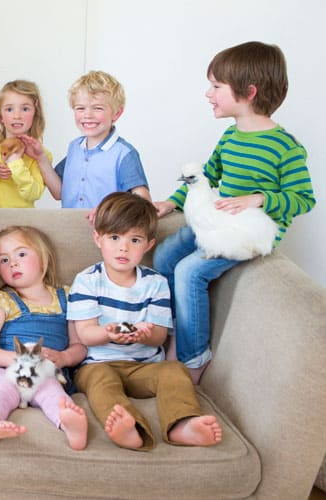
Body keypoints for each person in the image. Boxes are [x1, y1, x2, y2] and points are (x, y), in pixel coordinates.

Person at [153, 41, 316, 384]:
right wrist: (173, 201)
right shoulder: (230, 136)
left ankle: (193, 358)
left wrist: (258, 199)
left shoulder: (285, 147)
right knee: (166, 255)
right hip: (216, 224)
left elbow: (303, 198)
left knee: (189, 272)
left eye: (216, 86)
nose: (208, 93)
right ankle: (172, 331)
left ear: (248, 92)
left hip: (246, 236)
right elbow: (207, 176)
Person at [68, 192, 222, 451]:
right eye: (114, 238)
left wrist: (144, 334)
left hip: (144, 367)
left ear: (149, 245)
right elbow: (86, 335)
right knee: (101, 382)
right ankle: (131, 429)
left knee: (174, 371)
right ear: (98, 239)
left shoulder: (156, 283)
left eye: (134, 240)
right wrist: (109, 333)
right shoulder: (87, 280)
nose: (123, 248)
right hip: (98, 364)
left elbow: (159, 337)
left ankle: (182, 425)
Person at [0, 225, 88, 451]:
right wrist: (17, 361)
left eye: (21, 254)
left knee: (50, 387)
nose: (12, 263)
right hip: (5, 369)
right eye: (3, 260)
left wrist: (64, 357)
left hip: (45, 372)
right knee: (1, 386)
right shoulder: (2, 300)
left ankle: (69, 425)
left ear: (44, 260)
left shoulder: (66, 297)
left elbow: (80, 346)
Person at [39, 70, 150, 223]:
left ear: (116, 113)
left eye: (97, 108)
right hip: (70, 229)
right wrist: (41, 159)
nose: (87, 115)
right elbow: (59, 193)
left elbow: (143, 201)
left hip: (108, 233)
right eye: (80, 108)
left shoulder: (124, 153)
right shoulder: (74, 148)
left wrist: (109, 209)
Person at [0, 80, 52, 208]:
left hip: (21, 223)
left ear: (35, 113)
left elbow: (33, 194)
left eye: (25, 109)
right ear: (0, 116)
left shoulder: (40, 154)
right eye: (9, 109)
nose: (17, 116)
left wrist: (15, 163)